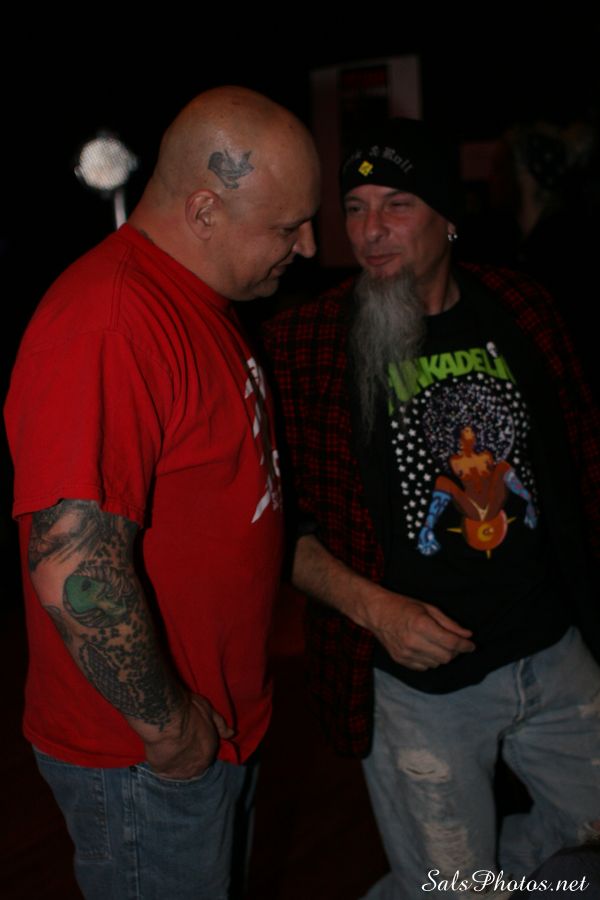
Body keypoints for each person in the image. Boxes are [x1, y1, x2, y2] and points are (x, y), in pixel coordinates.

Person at [262, 117, 600, 899]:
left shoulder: (520, 306)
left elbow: (582, 460)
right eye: (355, 208)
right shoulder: (307, 344)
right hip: (420, 689)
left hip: (551, 650)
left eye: (397, 204)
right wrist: (376, 609)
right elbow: (274, 529)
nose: (370, 230)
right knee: (456, 887)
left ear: (448, 216)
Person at [4, 86, 319, 900]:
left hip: (212, 730)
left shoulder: (197, 300)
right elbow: (72, 571)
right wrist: (172, 730)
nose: (310, 246)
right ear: (205, 209)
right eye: (287, 227)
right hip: (145, 762)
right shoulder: (112, 322)